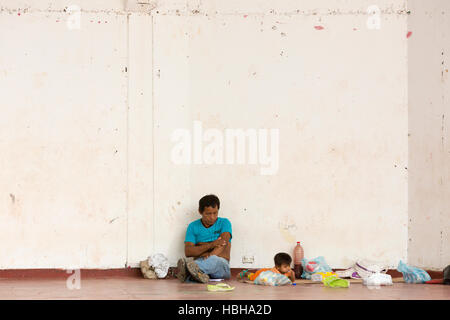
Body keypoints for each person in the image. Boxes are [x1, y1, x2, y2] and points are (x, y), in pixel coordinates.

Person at [176, 194, 232, 283]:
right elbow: (188, 251)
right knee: (197, 270)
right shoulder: (193, 226)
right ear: (200, 212)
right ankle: (195, 273)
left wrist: (207, 253)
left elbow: (223, 243)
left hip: (221, 266)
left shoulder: (224, 223)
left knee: (214, 260)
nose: (212, 217)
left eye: (215, 213)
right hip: (199, 266)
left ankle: (188, 271)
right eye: (208, 214)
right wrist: (212, 244)